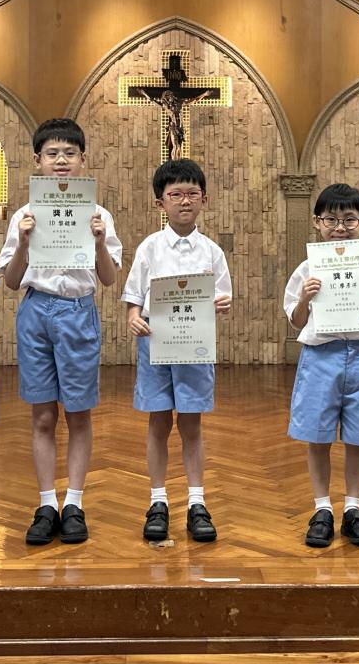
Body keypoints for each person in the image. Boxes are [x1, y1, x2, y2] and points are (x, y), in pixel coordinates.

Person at [0, 118, 122, 545]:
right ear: (38, 160)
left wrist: (100, 242)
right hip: (36, 310)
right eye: (52, 153)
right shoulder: (24, 215)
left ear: (83, 159)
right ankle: (46, 503)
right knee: (42, 415)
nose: (61, 160)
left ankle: (75, 503)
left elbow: (109, 279)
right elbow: (11, 281)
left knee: (78, 413)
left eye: (70, 153)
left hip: (77, 311)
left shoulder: (99, 214)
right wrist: (24, 243)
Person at [123, 159, 233, 543]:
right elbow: (134, 296)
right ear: (161, 202)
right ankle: (158, 500)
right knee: (158, 422)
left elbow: (222, 297)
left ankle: (197, 502)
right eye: (176, 194)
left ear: (205, 199)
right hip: (155, 343)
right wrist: (133, 317)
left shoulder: (212, 252)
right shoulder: (149, 248)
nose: (185, 201)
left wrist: (220, 304)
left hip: (194, 347)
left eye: (192, 194)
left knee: (191, 424)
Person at [283, 183, 359, 548]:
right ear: (317, 222)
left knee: (358, 437)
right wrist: (305, 297)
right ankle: (321, 508)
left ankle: (353, 508)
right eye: (331, 219)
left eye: (349, 219)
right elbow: (296, 321)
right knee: (318, 436)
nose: (340, 227)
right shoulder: (306, 269)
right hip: (320, 357)